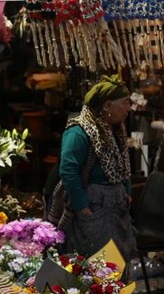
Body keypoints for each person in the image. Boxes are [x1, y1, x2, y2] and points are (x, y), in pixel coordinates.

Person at [48, 75, 136, 262]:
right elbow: (69, 171)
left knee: (119, 260)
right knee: (95, 261)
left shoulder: (115, 130)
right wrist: (83, 207)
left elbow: (121, 165)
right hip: (94, 207)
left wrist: (126, 192)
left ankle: (117, 292)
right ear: (107, 106)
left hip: (116, 206)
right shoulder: (79, 132)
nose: (129, 108)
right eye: (125, 102)